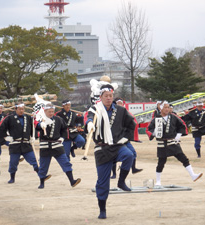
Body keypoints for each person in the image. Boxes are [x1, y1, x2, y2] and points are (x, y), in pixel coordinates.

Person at [86, 84, 135, 219]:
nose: (108, 98)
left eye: (110, 96)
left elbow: (132, 124)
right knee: (103, 182)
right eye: (106, 96)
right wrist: (89, 123)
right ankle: (102, 210)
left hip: (117, 145)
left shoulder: (120, 110)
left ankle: (121, 181)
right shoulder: (95, 109)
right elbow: (89, 117)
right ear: (101, 97)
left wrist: (125, 137)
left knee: (129, 155)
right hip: (102, 148)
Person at [147, 101, 203, 187]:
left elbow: (182, 126)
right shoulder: (156, 119)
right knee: (161, 162)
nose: (167, 109)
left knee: (183, 158)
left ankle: (193, 175)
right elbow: (149, 129)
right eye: (165, 107)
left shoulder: (173, 117)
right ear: (161, 108)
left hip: (172, 142)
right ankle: (158, 181)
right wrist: (153, 133)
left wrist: (179, 135)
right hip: (162, 143)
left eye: (168, 107)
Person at [35, 103, 81, 189]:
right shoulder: (41, 119)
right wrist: (40, 125)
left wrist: (63, 137)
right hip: (45, 145)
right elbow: (36, 126)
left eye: (52, 111)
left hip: (57, 144)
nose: (51, 113)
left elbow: (64, 129)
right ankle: (41, 183)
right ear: (44, 111)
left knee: (65, 162)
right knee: (43, 165)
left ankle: (72, 181)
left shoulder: (58, 119)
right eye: (49, 112)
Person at [0, 102, 39, 183]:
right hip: (15, 144)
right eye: (20, 109)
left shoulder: (29, 118)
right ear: (15, 109)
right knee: (13, 163)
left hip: (26, 144)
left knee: (34, 160)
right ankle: (12, 178)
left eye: (23, 109)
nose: (21, 111)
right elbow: (0, 128)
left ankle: (41, 176)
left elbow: (34, 129)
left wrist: (34, 137)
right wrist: (6, 137)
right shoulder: (9, 118)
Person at [110, 97, 143, 179]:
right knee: (113, 157)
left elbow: (131, 123)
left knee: (133, 153)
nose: (120, 105)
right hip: (115, 138)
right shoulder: (112, 113)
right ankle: (114, 173)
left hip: (125, 138)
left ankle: (133, 168)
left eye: (121, 103)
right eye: (118, 103)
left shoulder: (125, 112)